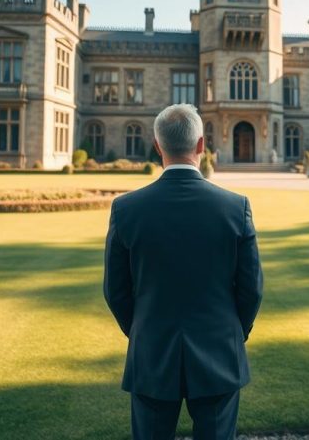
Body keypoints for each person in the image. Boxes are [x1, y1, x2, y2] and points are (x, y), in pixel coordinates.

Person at [104, 104, 263, 440]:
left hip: (152, 353)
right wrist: (235, 332)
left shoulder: (126, 209)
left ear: (157, 146)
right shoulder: (236, 207)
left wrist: (142, 332)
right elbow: (252, 290)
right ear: (202, 146)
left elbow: (115, 291)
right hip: (219, 351)